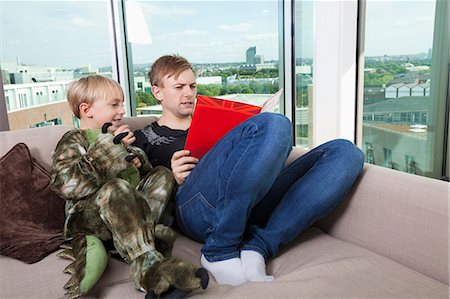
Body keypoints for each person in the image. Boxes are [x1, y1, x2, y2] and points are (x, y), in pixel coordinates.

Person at [133, 55, 365, 286]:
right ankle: (219, 249)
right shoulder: (143, 138)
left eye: (192, 86)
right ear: (157, 92)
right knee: (276, 122)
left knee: (346, 152)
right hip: (196, 208)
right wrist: (171, 177)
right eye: (179, 87)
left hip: (246, 200)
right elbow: (137, 198)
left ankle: (259, 247)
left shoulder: (214, 120)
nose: (189, 93)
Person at [50, 75, 208, 298]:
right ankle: (149, 269)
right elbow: (64, 185)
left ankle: (133, 237)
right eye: (115, 105)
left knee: (162, 174)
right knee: (116, 187)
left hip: (125, 212)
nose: (122, 111)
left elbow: (138, 179)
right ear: (87, 110)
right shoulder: (74, 139)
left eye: (122, 104)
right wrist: (109, 151)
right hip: (89, 217)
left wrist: (138, 161)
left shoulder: (117, 137)